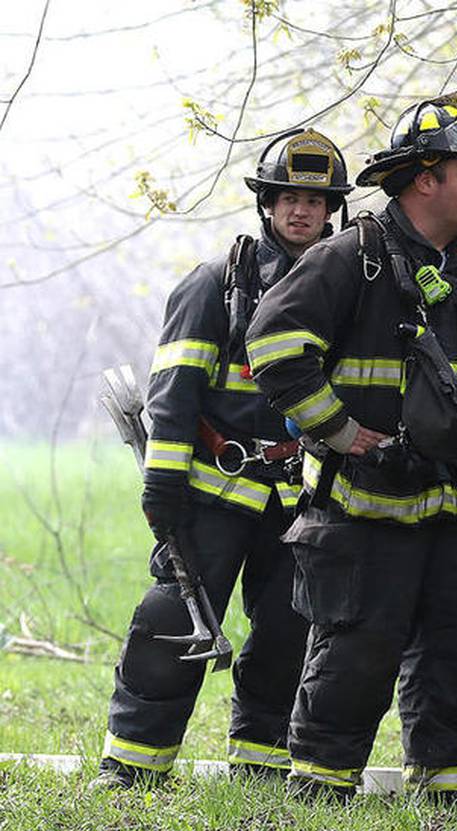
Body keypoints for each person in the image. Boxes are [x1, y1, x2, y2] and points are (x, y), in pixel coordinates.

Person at [245, 89, 457, 802]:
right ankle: (319, 788)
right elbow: (275, 346)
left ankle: (446, 791)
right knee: (357, 648)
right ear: (425, 178)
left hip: (456, 502)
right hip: (365, 499)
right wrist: (342, 431)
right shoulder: (351, 257)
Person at [94, 129, 352, 788]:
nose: (302, 211)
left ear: (332, 211)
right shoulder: (215, 285)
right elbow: (173, 394)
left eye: (316, 200)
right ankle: (130, 765)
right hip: (213, 488)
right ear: (267, 203)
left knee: (287, 632)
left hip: (296, 494)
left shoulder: (344, 290)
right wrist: (163, 484)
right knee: (171, 623)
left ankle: (260, 766)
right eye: (289, 197)